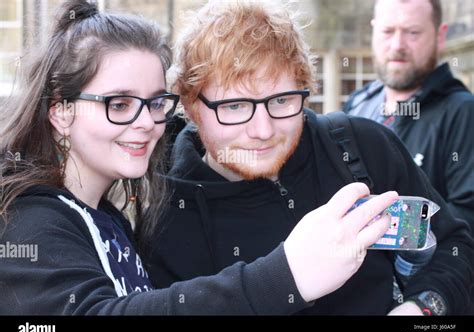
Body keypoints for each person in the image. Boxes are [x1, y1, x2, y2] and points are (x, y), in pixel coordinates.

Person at [0, 0, 398, 315]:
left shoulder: (107, 217)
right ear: (60, 111)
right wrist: (288, 275)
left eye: (155, 103)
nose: (145, 123)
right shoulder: (29, 222)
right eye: (119, 104)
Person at [141, 0, 474, 315]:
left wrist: (420, 308)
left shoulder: (362, 148)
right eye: (235, 106)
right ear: (192, 105)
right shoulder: (166, 216)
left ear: (304, 87)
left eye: (282, 101)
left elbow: (455, 246)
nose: (263, 129)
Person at [343, 0, 474, 314]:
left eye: (413, 32)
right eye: (388, 31)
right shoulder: (357, 107)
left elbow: (465, 223)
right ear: (374, 31)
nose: (398, 44)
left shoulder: (463, 112)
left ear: (439, 36)